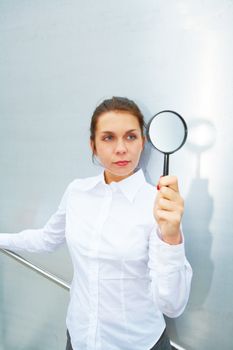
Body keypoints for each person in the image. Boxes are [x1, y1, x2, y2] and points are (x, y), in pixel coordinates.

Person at [0, 96, 192, 350]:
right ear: (93, 145)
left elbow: (172, 304)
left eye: (131, 136)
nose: (121, 148)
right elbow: (47, 239)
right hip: (79, 339)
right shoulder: (77, 191)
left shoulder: (159, 204)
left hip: (137, 344)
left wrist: (171, 238)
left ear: (143, 142)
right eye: (108, 137)